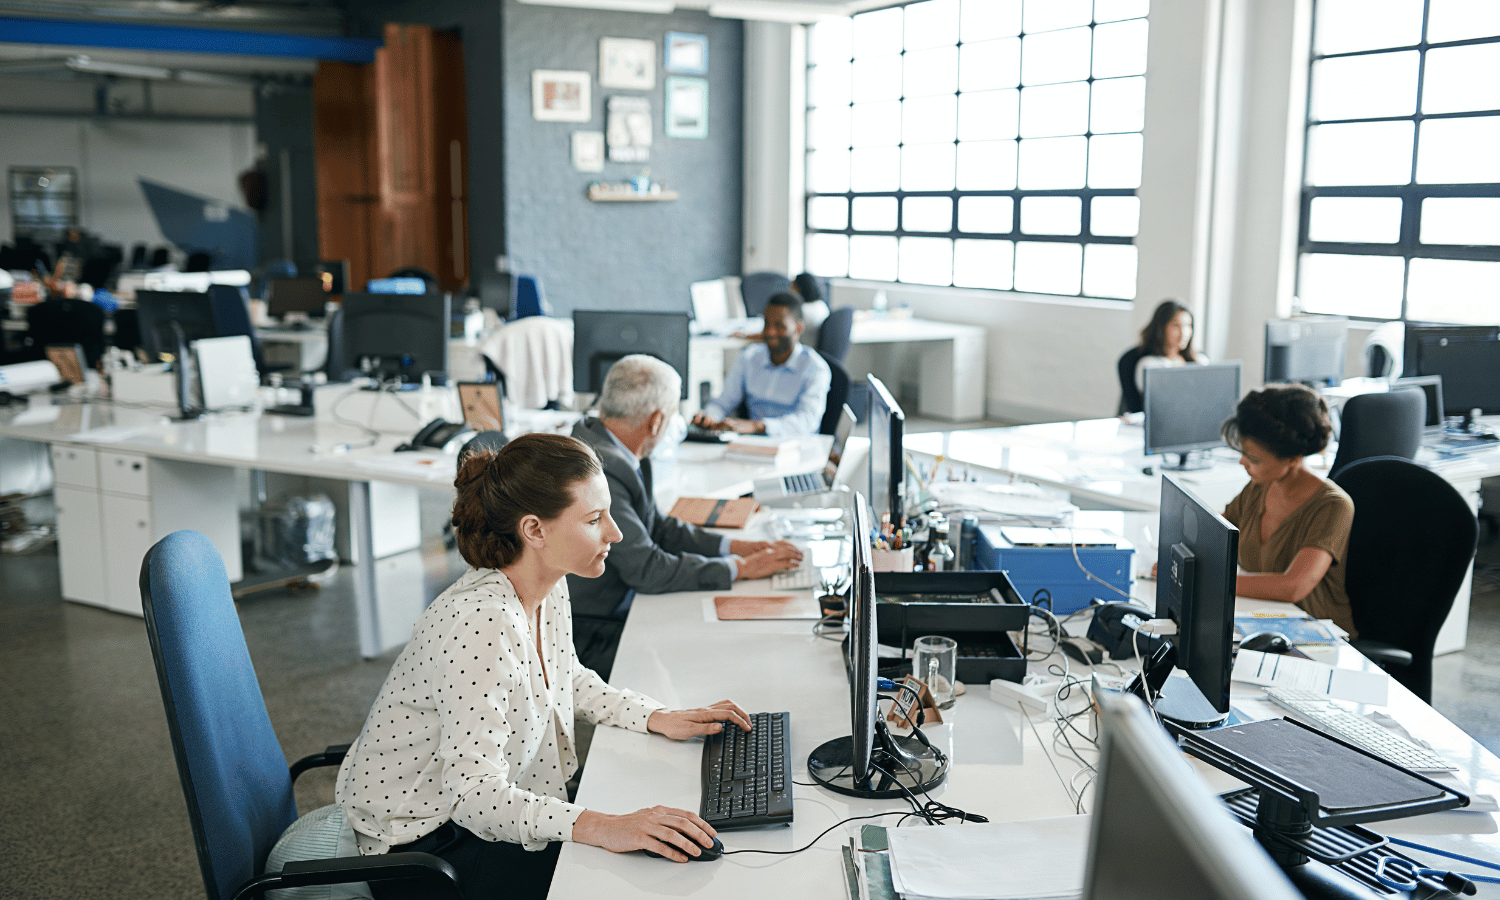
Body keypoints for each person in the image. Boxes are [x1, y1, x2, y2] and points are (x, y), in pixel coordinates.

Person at [335, 433, 755, 900]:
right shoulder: (481, 623)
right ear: (534, 530)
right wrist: (603, 826)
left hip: (477, 816)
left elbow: (564, 676)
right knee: (628, 883)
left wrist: (657, 716)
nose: (615, 533)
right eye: (595, 519)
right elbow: (473, 794)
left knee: (649, 854)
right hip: (421, 849)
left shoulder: (546, 584)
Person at [570, 355, 803, 676]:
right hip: (593, 627)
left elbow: (659, 528)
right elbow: (647, 569)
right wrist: (741, 569)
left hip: (619, 601)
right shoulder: (601, 469)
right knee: (709, 653)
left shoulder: (613, 446)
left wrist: (736, 547)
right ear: (656, 422)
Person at [1219, 384, 1357, 637]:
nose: (1243, 462)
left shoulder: (1333, 506)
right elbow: (1216, 530)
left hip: (1314, 636)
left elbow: (1293, 586)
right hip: (1265, 620)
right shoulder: (1260, 485)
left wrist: (1212, 580)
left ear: (1293, 459)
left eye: (1254, 459)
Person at [693, 292, 832, 436]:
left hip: (796, 444)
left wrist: (759, 426)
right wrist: (709, 416)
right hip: (754, 443)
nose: (770, 332)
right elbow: (723, 402)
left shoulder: (815, 368)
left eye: (779, 326)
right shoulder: (749, 358)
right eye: (767, 324)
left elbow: (806, 422)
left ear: (798, 328)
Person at [1134, 299, 1209, 392]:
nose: (1183, 333)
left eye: (1188, 326)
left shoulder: (1200, 359)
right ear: (1161, 328)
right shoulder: (1150, 365)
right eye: (1176, 326)